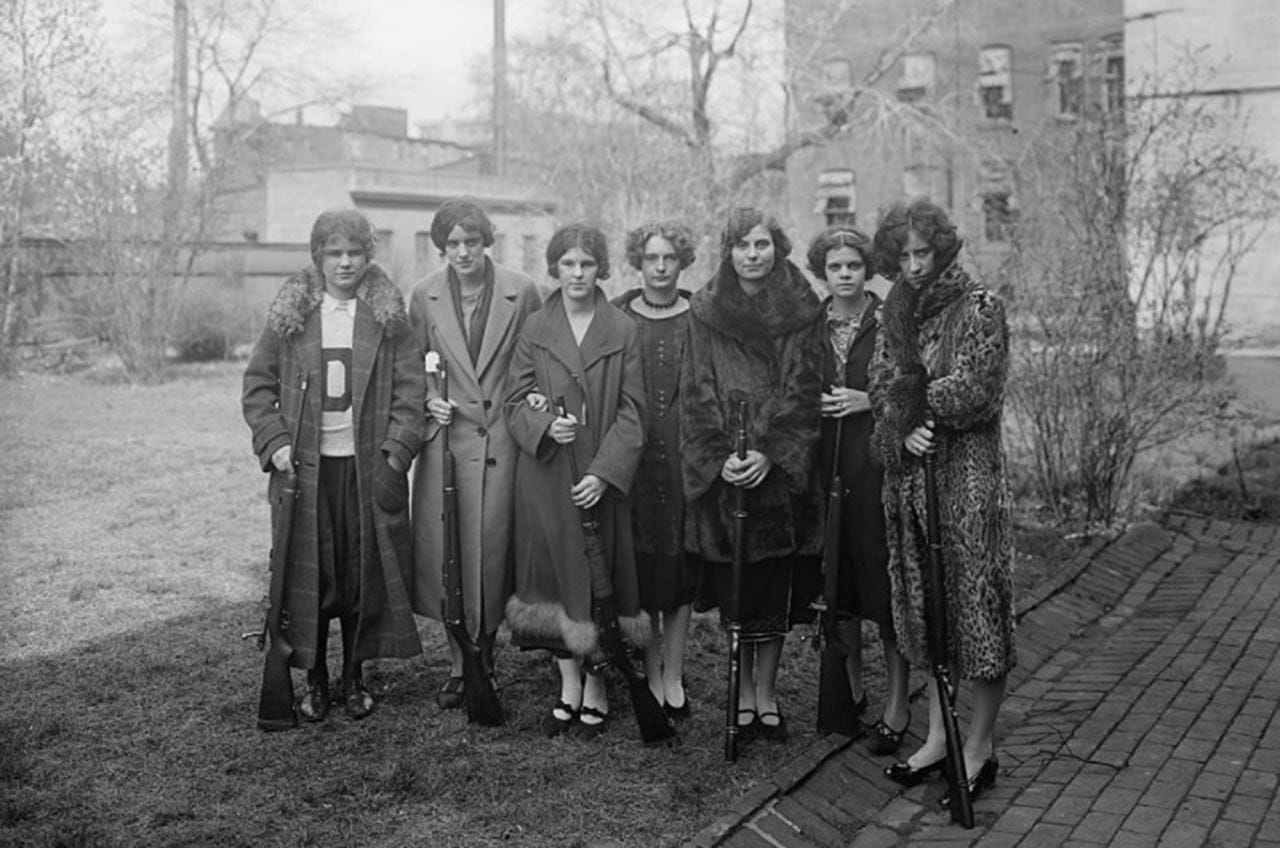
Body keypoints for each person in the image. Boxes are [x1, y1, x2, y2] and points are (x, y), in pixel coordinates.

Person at [242, 208, 425, 722]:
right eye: (334, 253)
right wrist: (275, 441)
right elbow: (256, 386)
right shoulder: (292, 317)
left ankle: (354, 676)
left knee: (358, 574)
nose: (345, 263)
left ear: (369, 256)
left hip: (367, 471)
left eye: (355, 252)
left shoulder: (387, 318)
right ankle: (316, 678)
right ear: (317, 257)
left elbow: (413, 391)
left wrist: (395, 452)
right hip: (305, 472)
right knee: (312, 575)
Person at [867, 200, 1014, 804]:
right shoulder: (893, 314)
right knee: (926, 612)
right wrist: (899, 426)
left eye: (922, 253)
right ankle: (936, 737)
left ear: (943, 249)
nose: (913, 265)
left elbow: (978, 388)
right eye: (902, 255)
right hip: (909, 486)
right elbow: (879, 384)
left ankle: (978, 747)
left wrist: (916, 403)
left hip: (966, 487)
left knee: (977, 612)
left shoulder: (979, 306)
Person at [681, 207, 824, 742]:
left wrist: (772, 452)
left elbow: (805, 387)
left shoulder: (802, 307)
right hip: (728, 469)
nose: (753, 255)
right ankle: (741, 694)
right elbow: (696, 388)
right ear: (729, 251)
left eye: (762, 244)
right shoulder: (706, 309)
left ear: (777, 247)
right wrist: (722, 455)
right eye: (742, 246)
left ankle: (767, 693)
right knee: (738, 590)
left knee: (776, 590)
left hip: (780, 474)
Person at [503, 223, 647, 740]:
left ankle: (600, 685)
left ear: (601, 268)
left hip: (598, 480)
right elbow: (514, 401)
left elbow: (634, 413)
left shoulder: (622, 329)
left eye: (587, 264)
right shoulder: (536, 327)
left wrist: (606, 473)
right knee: (554, 581)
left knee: (599, 579)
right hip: (547, 478)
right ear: (555, 268)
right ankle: (568, 684)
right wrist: (545, 424)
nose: (578, 274)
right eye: (568, 264)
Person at [408, 198, 543, 711]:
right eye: (452, 243)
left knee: (490, 553)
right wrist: (428, 399)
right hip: (447, 444)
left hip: (504, 445)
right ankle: (457, 662)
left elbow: (538, 358)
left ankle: (484, 659)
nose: (462, 252)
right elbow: (410, 367)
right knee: (448, 556)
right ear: (441, 247)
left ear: (487, 240)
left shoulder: (523, 289)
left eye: (471, 241)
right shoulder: (423, 295)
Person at [806, 226, 911, 754]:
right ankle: (849, 689)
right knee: (836, 588)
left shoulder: (890, 318)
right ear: (821, 273)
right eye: (834, 267)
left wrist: (869, 399)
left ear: (866, 269)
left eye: (852, 265)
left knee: (885, 588)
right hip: (827, 470)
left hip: (878, 470)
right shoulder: (812, 325)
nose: (844, 274)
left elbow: (914, 382)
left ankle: (898, 700)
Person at [613, 220, 699, 719]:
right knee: (643, 566)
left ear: (681, 261)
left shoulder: (700, 316)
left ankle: (673, 669)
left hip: (685, 459)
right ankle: (649, 666)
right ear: (638, 263)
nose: (661, 267)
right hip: (636, 460)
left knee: (680, 567)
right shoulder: (621, 315)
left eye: (669, 258)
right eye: (651, 259)